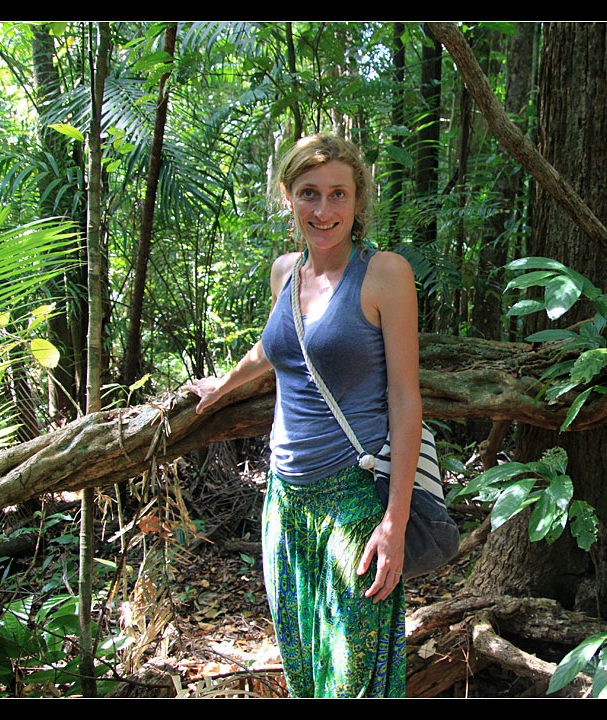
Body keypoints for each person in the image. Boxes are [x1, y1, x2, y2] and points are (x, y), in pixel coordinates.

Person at [185, 134, 421, 697]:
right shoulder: (285, 272)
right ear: (288, 198)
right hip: (284, 501)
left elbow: (405, 398)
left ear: (358, 201)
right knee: (304, 667)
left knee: (353, 679)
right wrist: (224, 383)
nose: (324, 209)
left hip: (352, 499)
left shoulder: (385, 274)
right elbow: (275, 347)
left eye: (338, 194)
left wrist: (395, 522)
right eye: (309, 193)